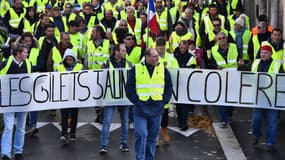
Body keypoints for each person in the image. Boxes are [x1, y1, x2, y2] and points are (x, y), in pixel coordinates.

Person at [126, 48, 173, 160]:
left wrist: (164, 101)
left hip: (157, 109)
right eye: (154, 56)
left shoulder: (163, 69)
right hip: (140, 109)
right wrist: (137, 102)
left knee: (152, 138)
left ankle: (149, 158)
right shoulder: (136, 69)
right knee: (141, 134)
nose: (157, 58)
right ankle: (140, 158)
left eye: (157, 56)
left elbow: (169, 86)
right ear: (147, 57)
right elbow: (129, 88)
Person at [0, 44, 31, 160]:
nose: (27, 54)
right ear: (18, 53)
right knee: (8, 127)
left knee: (21, 127)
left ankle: (18, 151)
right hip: (8, 99)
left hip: (22, 99)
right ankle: (5, 154)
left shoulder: (28, 63)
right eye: (25, 52)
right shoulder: (7, 62)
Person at [99, 43, 132, 153]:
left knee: (125, 122)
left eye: (125, 50)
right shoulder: (107, 63)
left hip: (124, 97)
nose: (125, 52)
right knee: (107, 121)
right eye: (123, 51)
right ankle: (104, 145)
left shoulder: (128, 63)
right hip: (111, 97)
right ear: (116, 52)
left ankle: (124, 143)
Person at [251, 45, 282, 151]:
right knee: (256, 119)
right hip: (258, 97)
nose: (263, 54)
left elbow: (282, 79)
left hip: (272, 98)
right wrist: (240, 66)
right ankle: (256, 135)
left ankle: (270, 142)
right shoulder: (255, 63)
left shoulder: (277, 65)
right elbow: (246, 72)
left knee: (272, 121)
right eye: (262, 52)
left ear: (270, 54)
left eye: (265, 53)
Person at [56, 48, 83, 144]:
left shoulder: (80, 67)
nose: (69, 61)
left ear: (74, 59)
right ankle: (64, 134)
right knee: (64, 115)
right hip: (64, 95)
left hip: (76, 95)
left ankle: (72, 133)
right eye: (67, 59)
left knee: (74, 114)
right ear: (64, 59)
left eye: (71, 59)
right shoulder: (59, 68)